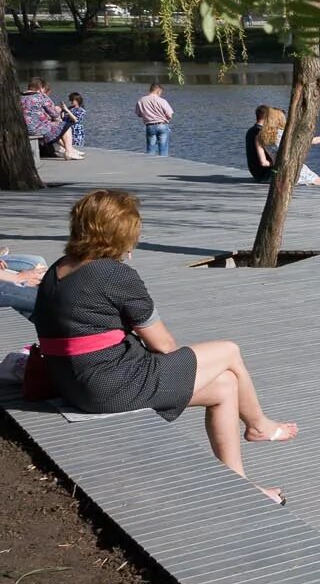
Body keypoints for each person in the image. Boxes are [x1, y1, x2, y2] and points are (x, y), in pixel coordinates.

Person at [31, 190, 296, 504]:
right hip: (109, 386)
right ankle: (259, 425)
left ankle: (239, 488)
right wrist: (174, 370)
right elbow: (164, 344)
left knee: (225, 386)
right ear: (120, 235)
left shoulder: (56, 271)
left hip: (74, 383)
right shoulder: (113, 274)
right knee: (228, 351)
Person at [20, 78, 82, 160]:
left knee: (53, 127)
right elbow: (54, 113)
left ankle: (65, 149)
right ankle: (69, 151)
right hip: (36, 129)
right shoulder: (41, 96)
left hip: (21, 129)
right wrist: (58, 116)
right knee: (65, 126)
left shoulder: (18, 97)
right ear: (40, 88)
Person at [136, 83, 174, 155]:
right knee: (163, 149)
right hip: (162, 125)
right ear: (158, 91)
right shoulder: (162, 101)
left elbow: (139, 114)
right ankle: (163, 165)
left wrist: (148, 115)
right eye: (160, 93)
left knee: (150, 149)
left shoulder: (141, 100)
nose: (160, 94)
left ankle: (150, 165)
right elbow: (170, 115)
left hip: (149, 126)